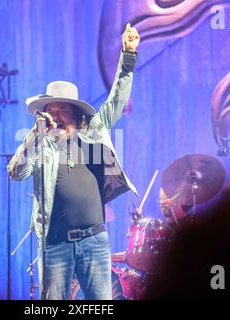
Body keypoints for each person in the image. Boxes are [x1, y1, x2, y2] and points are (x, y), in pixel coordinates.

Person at [7, 23, 140, 300]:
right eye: (50, 111)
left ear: (76, 114)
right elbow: (16, 173)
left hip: (93, 240)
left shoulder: (94, 132)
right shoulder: (41, 145)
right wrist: (34, 134)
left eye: (62, 110)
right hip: (55, 243)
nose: (56, 115)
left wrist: (127, 57)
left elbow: (117, 98)